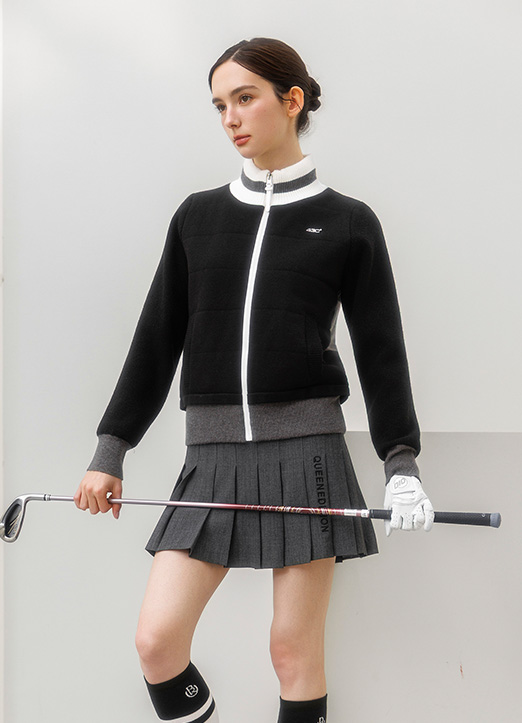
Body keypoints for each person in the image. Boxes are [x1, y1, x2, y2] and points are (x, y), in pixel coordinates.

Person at [74, 37, 434, 723]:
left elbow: (382, 352)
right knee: (156, 642)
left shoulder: (349, 222)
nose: (231, 118)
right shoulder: (197, 217)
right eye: (219, 105)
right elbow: (156, 339)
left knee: (292, 651)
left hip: (307, 456)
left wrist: (401, 464)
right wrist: (110, 449)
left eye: (245, 98)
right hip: (211, 459)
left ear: (291, 101)